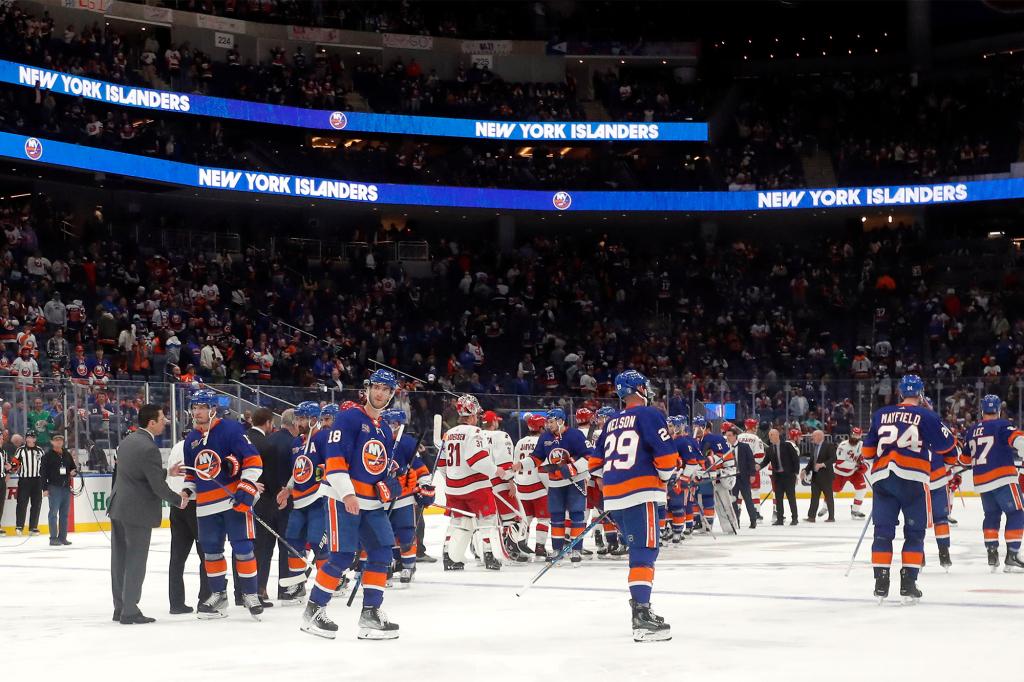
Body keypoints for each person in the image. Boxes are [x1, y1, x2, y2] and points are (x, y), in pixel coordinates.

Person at [301, 369, 402, 640]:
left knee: (382, 552)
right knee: (343, 556)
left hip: (370, 503)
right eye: (377, 387)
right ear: (367, 389)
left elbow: (375, 469)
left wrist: (388, 483)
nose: (380, 393)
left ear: (391, 395)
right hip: (342, 497)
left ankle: (370, 614)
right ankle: (314, 611)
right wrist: (347, 494)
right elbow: (335, 460)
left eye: (386, 390)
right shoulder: (349, 418)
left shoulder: (383, 429)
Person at [590, 370, 676, 642]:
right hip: (641, 492)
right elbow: (667, 456)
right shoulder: (650, 414)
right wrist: (663, 478)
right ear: (638, 389)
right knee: (644, 551)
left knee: (638, 550)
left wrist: (610, 490)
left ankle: (642, 609)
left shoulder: (611, 422)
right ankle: (641, 616)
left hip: (615, 496)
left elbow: (595, 464)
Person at [862, 375, 955, 603]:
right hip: (913, 479)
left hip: (883, 478)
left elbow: (866, 453)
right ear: (920, 393)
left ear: (900, 393)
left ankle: (881, 583)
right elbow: (948, 446)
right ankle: (908, 583)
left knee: (882, 534)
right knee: (914, 534)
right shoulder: (926, 414)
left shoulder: (881, 414)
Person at [181, 389, 265, 621]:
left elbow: (254, 461)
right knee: (211, 552)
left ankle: (250, 594)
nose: (196, 411)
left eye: (201, 407)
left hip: (232, 503)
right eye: (194, 407)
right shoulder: (191, 439)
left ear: (212, 409)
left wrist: (246, 489)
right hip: (206, 507)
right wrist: (188, 490)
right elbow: (193, 474)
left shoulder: (231, 430)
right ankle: (219, 595)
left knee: (243, 549)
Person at [108, 405, 188, 624]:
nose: (165, 422)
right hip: (137, 511)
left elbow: (137, 472)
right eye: (162, 419)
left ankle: (120, 607)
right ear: (151, 422)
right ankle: (130, 611)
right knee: (135, 560)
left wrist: (166, 472)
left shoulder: (127, 442)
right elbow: (157, 487)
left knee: (120, 560)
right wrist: (179, 499)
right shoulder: (149, 448)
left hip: (119, 507)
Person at [440, 394, 502, 571]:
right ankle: (489, 556)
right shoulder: (475, 432)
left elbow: (441, 464)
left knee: (457, 522)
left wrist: (452, 479)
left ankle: (448, 557)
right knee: (487, 521)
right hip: (476, 486)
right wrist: (497, 471)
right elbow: (478, 461)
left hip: (453, 488)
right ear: (473, 413)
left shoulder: (449, 434)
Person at [524, 407, 591, 564]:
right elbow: (536, 458)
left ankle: (576, 550)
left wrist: (571, 468)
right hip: (555, 483)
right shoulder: (545, 437)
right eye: (547, 421)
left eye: (551, 421)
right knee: (556, 516)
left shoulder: (576, 435)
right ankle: (557, 550)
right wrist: (520, 465)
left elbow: (589, 456)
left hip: (575, 481)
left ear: (561, 421)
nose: (548, 424)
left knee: (576, 515)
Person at [966, 394, 1024, 572]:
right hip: (1003, 478)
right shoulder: (1003, 424)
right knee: (1016, 512)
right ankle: (1012, 555)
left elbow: (965, 459)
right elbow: (1018, 440)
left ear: (982, 410)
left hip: (982, 481)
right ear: (999, 410)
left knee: (991, 515)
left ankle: (992, 554)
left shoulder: (972, 430)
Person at [276, 401, 327, 603]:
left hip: (318, 500)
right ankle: (297, 585)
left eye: (302, 418)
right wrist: (288, 489)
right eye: (297, 418)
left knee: (318, 542)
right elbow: (297, 472)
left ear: (314, 419)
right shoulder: (297, 443)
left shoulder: (324, 438)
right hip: (299, 501)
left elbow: (334, 466)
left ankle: (330, 582)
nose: (298, 422)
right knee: (294, 541)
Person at [381, 408, 432, 585]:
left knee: (406, 531)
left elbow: (419, 467)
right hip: (382, 497)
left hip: (404, 497)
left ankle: (409, 566)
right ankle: (390, 563)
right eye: (388, 423)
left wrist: (425, 484)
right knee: (386, 534)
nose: (391, 427)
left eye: (395, 423)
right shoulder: (377, 441)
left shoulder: (407, 442)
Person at [166, 428, 210, 615]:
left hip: (177, 505)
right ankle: (205, 599)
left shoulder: (175, 448)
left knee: (177, 557)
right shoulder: (198, 448)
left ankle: (176, 602)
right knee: (206, 555)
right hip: (195, 504)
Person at [265, 407, 305, 599]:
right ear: (295, 423)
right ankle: (286, 589)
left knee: (264, 548)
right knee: (288, 546)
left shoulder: (269, 439)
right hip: (288, 500)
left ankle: (260, 590)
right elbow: (298, 474)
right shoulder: (295, 444)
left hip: (266, 502)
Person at [245, 407, 280, 607]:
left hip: (242, 499)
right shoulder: (267, 445)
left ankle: (241, 590)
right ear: (267, 422)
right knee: (263, 548)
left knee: (243, 547)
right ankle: (258, 591)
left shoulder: (243, 439)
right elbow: (272, 480)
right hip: (264, 503)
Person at [481, 409, 523, 562]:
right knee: (512, 518)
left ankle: (479, 551)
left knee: (483, 522)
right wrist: (510, 481)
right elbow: (505, 463)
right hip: (499, 482)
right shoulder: (501, 435)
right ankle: (511, 548)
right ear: (494, 422)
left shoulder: (476, 435)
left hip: (479, 483)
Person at [512, 412, 551, 558]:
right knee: (543, 519)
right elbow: (543, 469)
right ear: (541, 427)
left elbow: (516, 464)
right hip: (538, 487)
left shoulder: (520, 442)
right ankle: (540, 547)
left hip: (521, 486)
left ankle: (521, 549)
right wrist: (549, 488)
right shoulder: (543, 442)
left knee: (525, 519)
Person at [41, 433, 75, 546]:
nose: (59, 442)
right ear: (52, 442)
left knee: (65, 514)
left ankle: (63, 537)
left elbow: (73, 467)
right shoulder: (47, 456)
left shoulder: (67, 454)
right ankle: (53, 538)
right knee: (53, 513)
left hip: (66, 488)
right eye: (56, 440)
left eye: (61, 440)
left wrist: (73, 472)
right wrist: (44, 488)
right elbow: (43, 474)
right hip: (54, 487)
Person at [761, 429, 799, 525]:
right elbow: (765, 461)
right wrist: (758, 467)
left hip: (789, 476)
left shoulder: (787, 445)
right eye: (769, 435)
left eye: (772, 435)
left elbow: (795, 459)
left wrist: (796, 473)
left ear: (777, 435)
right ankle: (780, 519)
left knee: (791, 498)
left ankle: (795, 518)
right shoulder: (769, 449)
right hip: (777, 477)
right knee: (778, 499)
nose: (770, 437)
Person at [12, 429, 46, 535]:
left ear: (35, 439)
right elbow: (15, 464)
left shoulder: (40, 451)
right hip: (24, 480)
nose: (30, 439)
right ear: (26, 438)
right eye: (28, 437)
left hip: (37, 480)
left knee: (36, 503)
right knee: (22, 503)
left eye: (32, 437)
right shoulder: (20, 450)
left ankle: (33, 527)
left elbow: (44, 466)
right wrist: (12, 467)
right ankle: (19, 526)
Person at [831, 428, 868, 519]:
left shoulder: (862, 445)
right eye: (854, 434)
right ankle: (825, 507)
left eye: (857, 435)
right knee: (834, 490)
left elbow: (866, 458)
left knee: (862, 488)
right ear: (851, 434)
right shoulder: (843, 445)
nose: (855, 437)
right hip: (840, 472)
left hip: (854, 472)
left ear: (860, 436)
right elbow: (840, 463)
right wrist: (856, 465)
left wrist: (865, 466)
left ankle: (855, 510)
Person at [725, 427, 757, 529]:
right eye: (727, 436)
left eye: (730, 435)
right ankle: (736, 521)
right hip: (732, 478)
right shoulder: (725, 448)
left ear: (735, 436)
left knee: (748, 499)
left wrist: (752, 474)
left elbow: (751, 461)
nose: (728, 438)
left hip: (743, 477)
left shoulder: (744, 447)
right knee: (733, 500)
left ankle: (753, 520)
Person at [804, 430, 836, 522]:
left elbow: (834, 459)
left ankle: (831, 517)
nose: (811, 438)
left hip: (826, 477)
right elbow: (811, 462)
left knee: (829, 497)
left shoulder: (829, 446)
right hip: (815, 477)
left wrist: (822, 464)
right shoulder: (814, 447)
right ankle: (811, 517)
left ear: (819, 436)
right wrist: (805, 470)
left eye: (813, 436)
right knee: (814, 497)